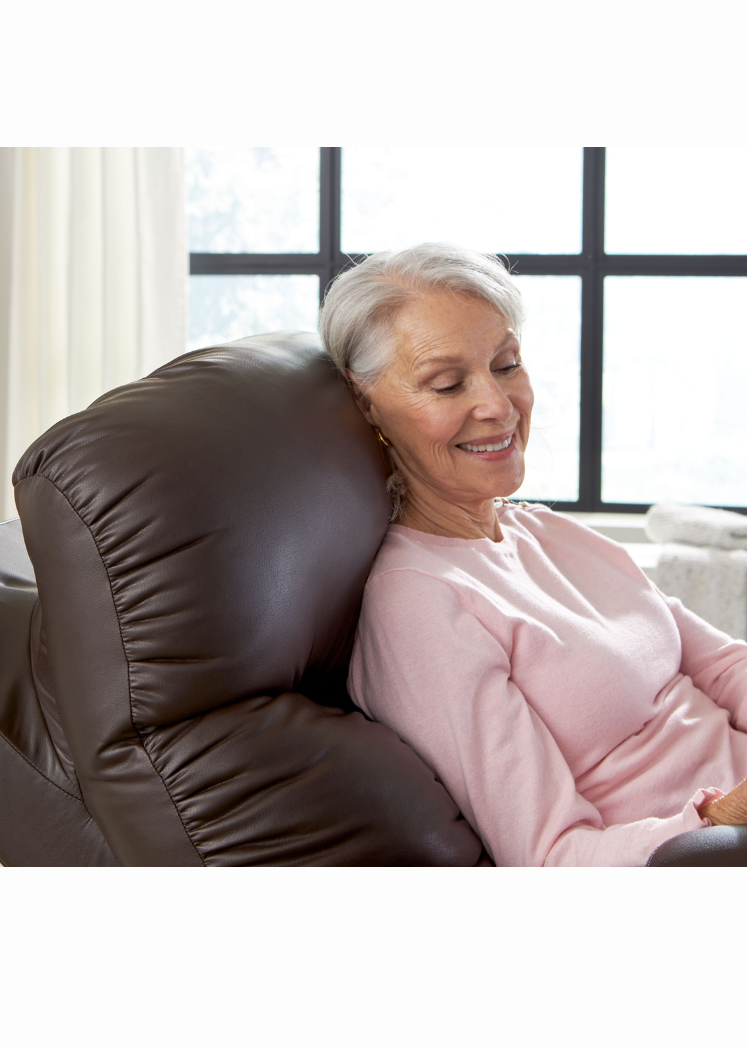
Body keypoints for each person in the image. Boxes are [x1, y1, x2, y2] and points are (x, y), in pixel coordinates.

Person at [319, 243, 747, 866]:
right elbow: (553, 859)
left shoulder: (549, 532)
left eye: (506, 364)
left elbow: (723, 664)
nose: (497, 405)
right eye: (447, 383)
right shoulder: (420, 603)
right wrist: (725, 816)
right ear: (366, 404)